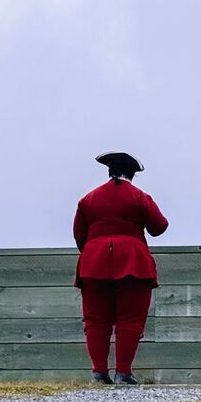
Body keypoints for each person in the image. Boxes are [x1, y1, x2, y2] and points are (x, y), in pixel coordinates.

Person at [73, 151, 169, 385]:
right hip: (134, 264)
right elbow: (159, 227)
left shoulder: (88, 199)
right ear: (132, 175)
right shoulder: (140, 197)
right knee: (130, 319)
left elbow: (79, 236)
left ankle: (99, 373)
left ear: (109, 172)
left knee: (96, 319)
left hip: (93, 264)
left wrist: (96, 252)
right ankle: (123, 373)